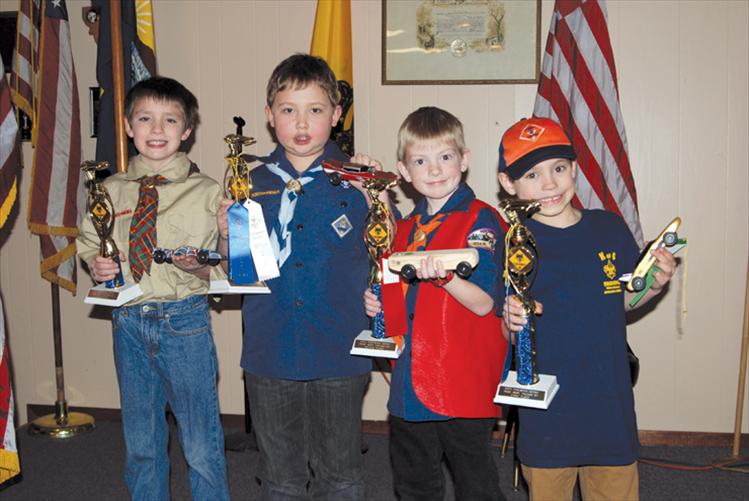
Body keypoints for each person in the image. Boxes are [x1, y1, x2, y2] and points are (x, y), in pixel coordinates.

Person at [216, 53, 379, 500]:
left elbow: (390, 252)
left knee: (341, 473)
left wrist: (374, 199)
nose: (301, 123)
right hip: (271, 350)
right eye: (288, 110)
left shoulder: (359, 180)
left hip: (339, 348)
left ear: (337, 115)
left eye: (316, 109)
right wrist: (227, 236)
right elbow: (238, 269)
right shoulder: (249, 184)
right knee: (280, 476)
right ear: (270, 118)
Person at [497, 117, 678, 501]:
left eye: (558, 169)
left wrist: (654, 284)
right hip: (547, 414)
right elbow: (507, 332)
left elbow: (624, 300)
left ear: (574, 169)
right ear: (508, 184)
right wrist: (510, 320)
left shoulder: (608, 228)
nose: (549, 184)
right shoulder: (512, 243)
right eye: (531, 174)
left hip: (607, 404)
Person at [77, 77, 230, 501]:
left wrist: (202, 265)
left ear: (187, 131)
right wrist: (96, 263)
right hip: (127, 323)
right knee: (141, 444)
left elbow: (230, 264)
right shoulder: (107, 191)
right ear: (128, 126)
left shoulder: (208, 192)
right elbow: (90, 243)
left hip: (184, 323)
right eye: (145, 118)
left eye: (170, 120)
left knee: (200, 443)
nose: (157, 130)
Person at [363, 106, 509, 501]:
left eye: (445, 157)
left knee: (476, 484)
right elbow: (396, 303)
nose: (434, 170)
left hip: (463, 382)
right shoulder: (403, 230)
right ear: (404, 172)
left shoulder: (481, 222)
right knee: (413, 484)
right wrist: (377, 304)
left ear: (463, 160)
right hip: (410, 385)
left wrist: (445, 277)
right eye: (420, 161)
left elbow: (483, 304)